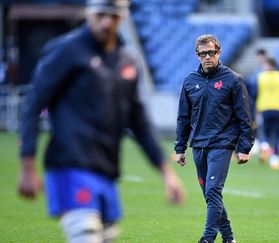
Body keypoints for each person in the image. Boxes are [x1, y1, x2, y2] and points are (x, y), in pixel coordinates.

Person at [18, 0, 184, 242]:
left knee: (106, 238)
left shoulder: (126, 60)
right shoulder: (66, 51)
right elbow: (32, 106)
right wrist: (27, 163)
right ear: (88, 13)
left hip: (107, 170)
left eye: (114, 16)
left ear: (124, 17)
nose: (107, 22)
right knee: (85, 236)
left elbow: (139, 121)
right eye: (101, 15)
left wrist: (166, 172)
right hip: (70, 165)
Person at [175, 34, 254, 243]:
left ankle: (207, 239)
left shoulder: (233, 80)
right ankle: (229, 239)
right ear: (197, 55)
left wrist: (245, 147)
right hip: (198, 145)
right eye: (203, 54)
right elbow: (183, 116)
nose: (207, 57)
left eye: (211, 52)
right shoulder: (190, 81)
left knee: (213, 190)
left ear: (219, 52)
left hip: (222, 143)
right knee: (211, 196)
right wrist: (180, 147)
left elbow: (245, 117)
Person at [255, 57, 279, 170]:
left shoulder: (261, 77)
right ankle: (274, 159)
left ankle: (265, 146)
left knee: (265, 131)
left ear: (268, 65)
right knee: (277, 134)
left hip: (265, 108)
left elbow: (254, 92)